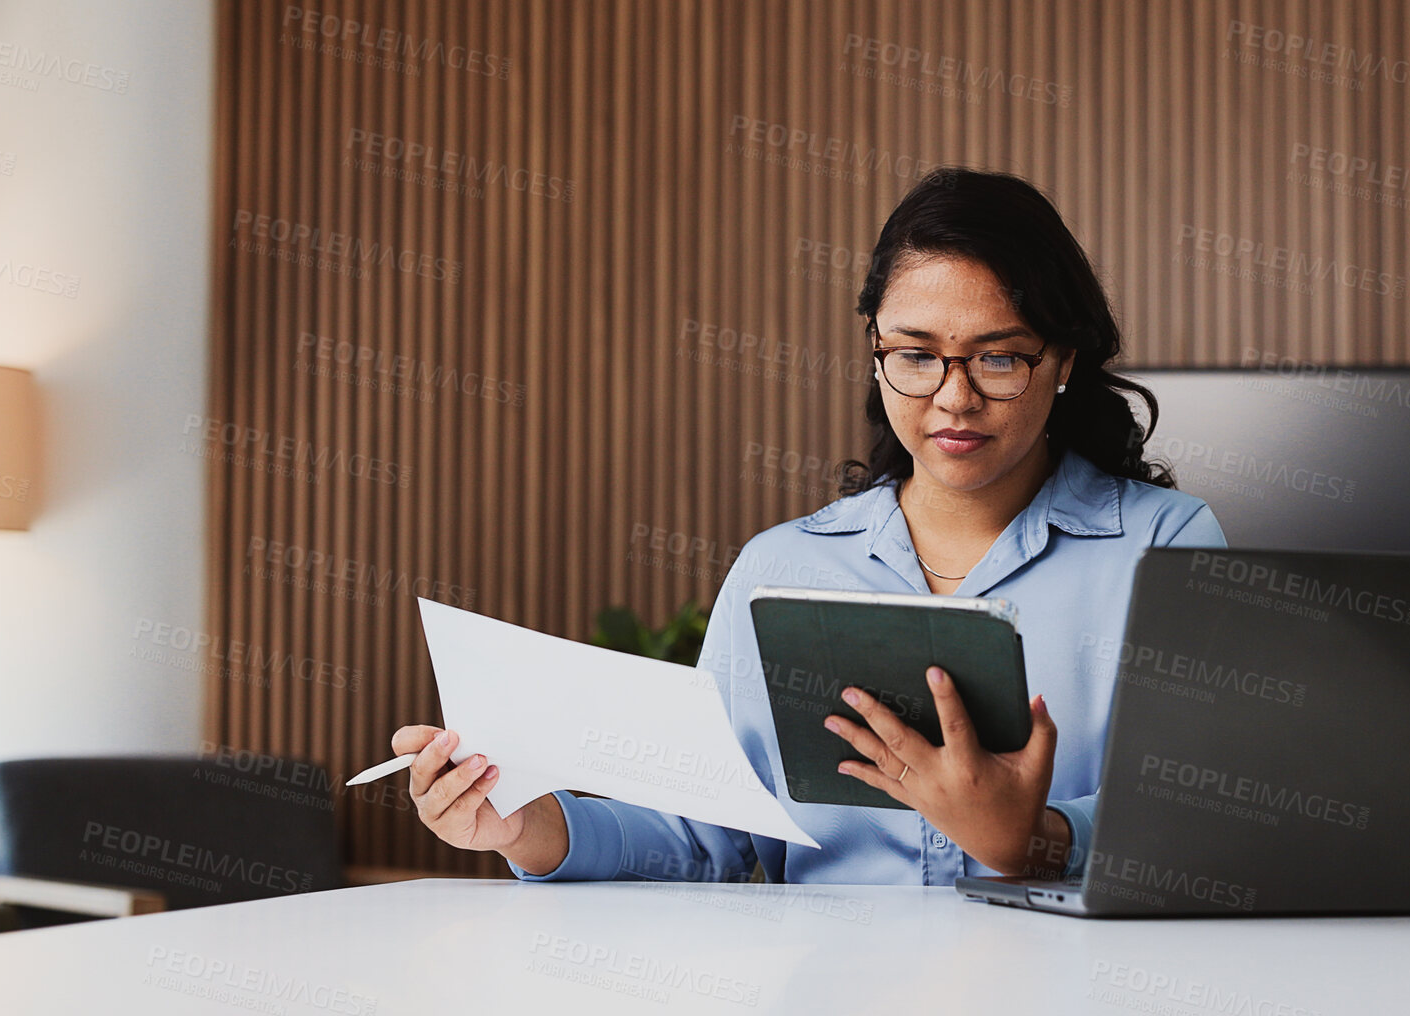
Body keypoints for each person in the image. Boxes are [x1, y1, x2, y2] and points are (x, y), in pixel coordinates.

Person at [390, 168, 1226, 886]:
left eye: (1000, 356)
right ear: (875, 352)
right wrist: (524, 826)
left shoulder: (1167, 548)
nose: (953, 395)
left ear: (1064, 359)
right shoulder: (781, 566)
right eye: (915, 353)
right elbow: (702, 837)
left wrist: (1037, 840)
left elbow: (1205, 824)